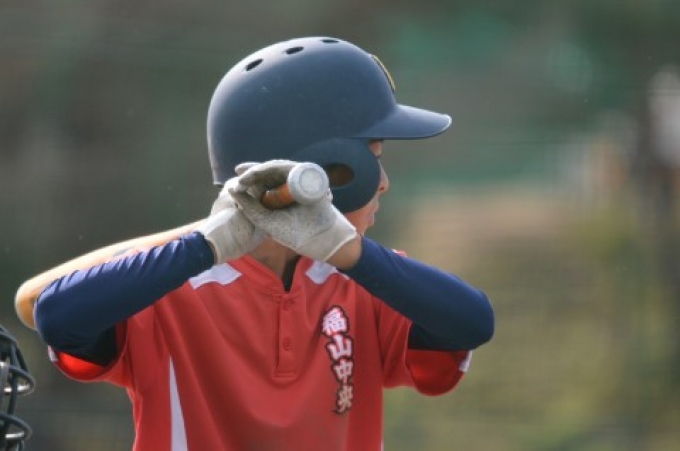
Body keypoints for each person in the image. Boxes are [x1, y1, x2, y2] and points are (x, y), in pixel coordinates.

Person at [33, 37, 494, 450]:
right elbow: (58, 317)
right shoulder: (165, 282)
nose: (385, 182)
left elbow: (471, 322)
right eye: (372, 158)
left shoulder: (366, 277)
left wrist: (348, 252)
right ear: (326, 167)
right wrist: (203, 248)